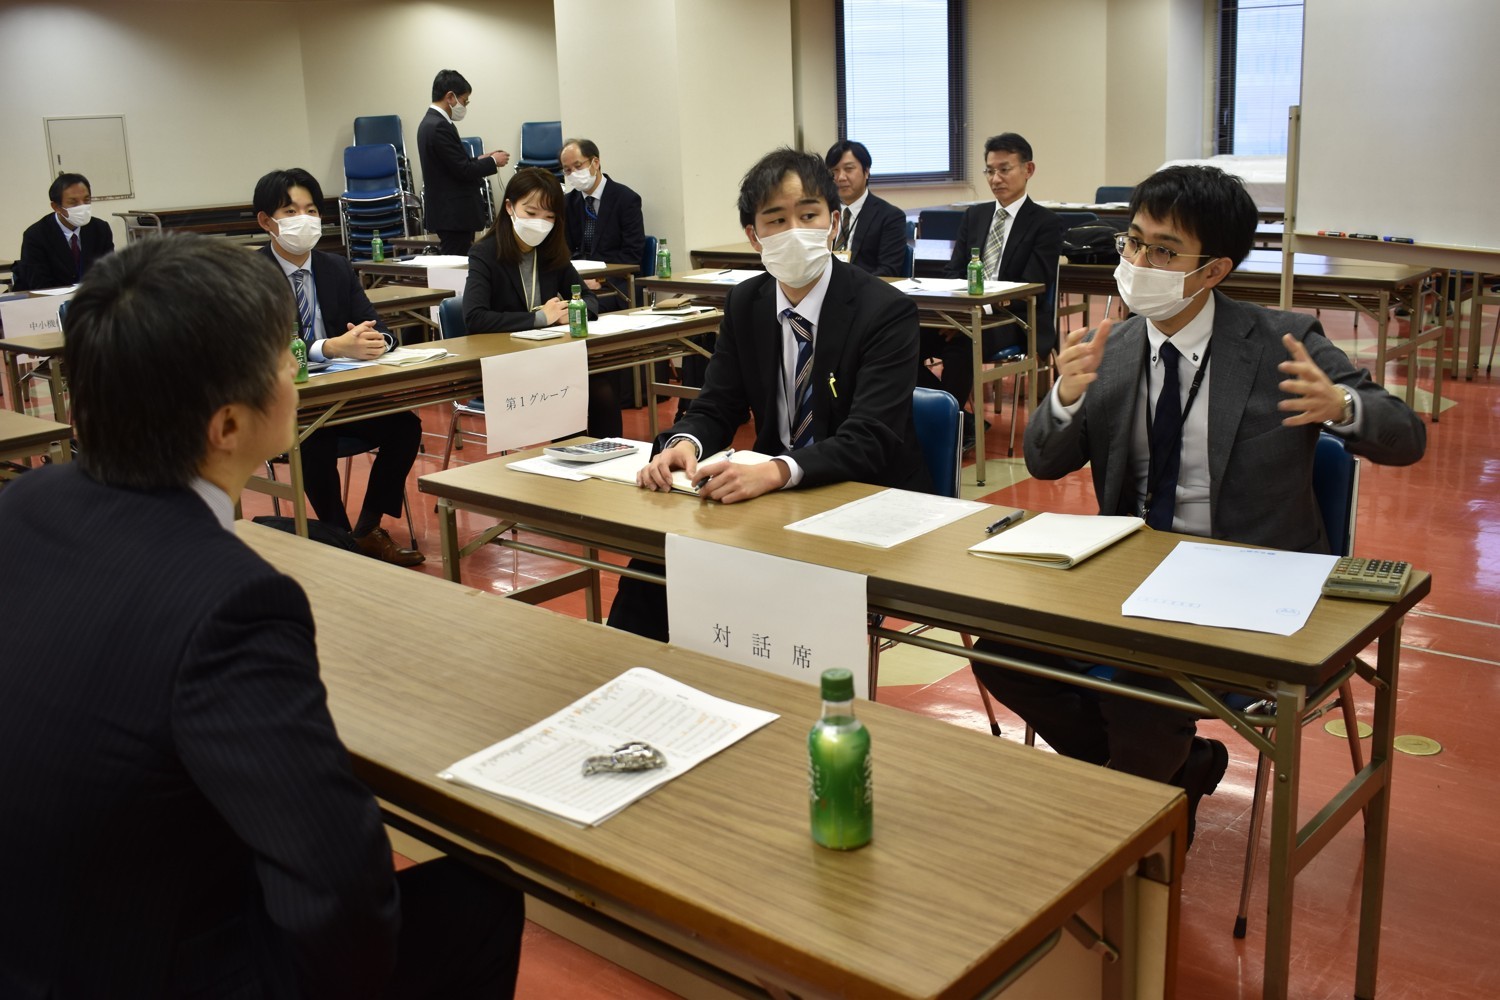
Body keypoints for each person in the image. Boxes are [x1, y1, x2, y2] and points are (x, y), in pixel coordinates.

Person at [0, 234, 524, 999]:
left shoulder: (24, 502)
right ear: (226, 426)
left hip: (37, 926)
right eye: (286, 359)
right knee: (478, 903)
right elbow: (341, 891)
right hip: (143, 963)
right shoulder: (230, 603)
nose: (298, 371)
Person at [971, 164, 1427, 844]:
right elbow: (1044, 461)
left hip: (1249, 581)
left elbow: (1407, 436)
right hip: (1128, 577)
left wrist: (1342, 406)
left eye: (1163, 251)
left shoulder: (1280, 342)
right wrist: (1063, 397)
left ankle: (1136, 842)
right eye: (1133, 241)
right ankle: (1167, 782)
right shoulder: (1114, 347)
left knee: (1144, 683)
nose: (1138, 262)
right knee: (1000, 653)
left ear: (1213, 270)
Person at [608, 147, 929, 641]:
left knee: (779, 599)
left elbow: (870, 439)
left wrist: (776, 471)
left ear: (834, 223)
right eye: (776, 220)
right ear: (754, 236)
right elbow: (718, 404)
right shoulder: (747, 301)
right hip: (773, 498)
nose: (794, 231)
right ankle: (631, 678)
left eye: (809, 215)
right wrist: (685, 443)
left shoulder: (884, 310)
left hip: (864, 496)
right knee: (656, 566)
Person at [254, 167, 425, 566]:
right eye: (290, 212)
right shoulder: (248, 276)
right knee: (313, 439)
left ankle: (366, 529)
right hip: (283, 408)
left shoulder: (335, 267)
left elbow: (381, 330)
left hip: (340, 400)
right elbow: (256, 350)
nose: (304, 219)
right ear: (265, 221)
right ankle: (339, 537)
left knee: (405, 426)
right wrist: (327, 348)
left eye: (311, 210)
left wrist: (375, 342)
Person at [923, 133, 1064, 445]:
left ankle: (943, 433)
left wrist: (977, 311)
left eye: (1004, 169)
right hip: (965, 315)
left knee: (963, 344)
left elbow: (1032, 286)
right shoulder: (975, 215)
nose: (995, 179)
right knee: (907, 337)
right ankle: (955, 419)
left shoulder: (1045, 223)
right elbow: (954, 272)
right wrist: (955, 313)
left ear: (1028, 169)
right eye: (989, 171)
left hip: (1015, 319)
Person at [463, 166, 622, 437]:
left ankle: (609, 458)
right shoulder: (485, 253)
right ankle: (569, 459)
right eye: (531, 213)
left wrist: (573, 311)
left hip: (552, 355)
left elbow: (588, 298)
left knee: (602, 390)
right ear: (510, 207)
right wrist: (540, 318)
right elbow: (475, 318)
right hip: (508, 358)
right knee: (566, 398)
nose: (540, 223)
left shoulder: (552, 251)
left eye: (549, 216)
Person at [417, 68, 509, 255]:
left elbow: (453, 164)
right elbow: (463, 170)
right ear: (450, 97)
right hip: (453, 215)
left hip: (450, 214)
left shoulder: (431, 122)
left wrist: (480, 159)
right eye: (465, 101)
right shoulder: (439, 126)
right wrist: (493, 161)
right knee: (456, 266)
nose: (465, 106)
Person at [561, 137, 644, 310]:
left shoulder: (626, 199)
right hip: (579, 282)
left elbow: (632, 253)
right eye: (567, 170)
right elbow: (564, 249)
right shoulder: (567, 203)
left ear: (595, 163)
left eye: (578, 166)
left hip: (616, 282)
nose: (573, 173)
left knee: (581, 310)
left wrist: (600, 279)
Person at [11, 172, 115, 291]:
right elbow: (39, 284)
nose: (82, 206)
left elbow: (109, 273)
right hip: (51, 299)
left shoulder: (100, 229)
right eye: (73, 202)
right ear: (56, 207)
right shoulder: (36, 236)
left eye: (86, 200)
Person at [824, 139, 908, 277]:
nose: (840, 177)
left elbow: (888, 270)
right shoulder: (823, 212)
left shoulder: (890, 216)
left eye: (848, 169)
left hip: (865, 287)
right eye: (835, 171)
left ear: (867, 171)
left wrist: (851, 286)